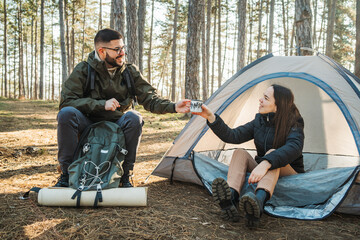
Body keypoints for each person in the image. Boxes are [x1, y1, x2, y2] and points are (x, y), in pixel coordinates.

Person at [55, 28, 190, 188]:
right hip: (88, 124)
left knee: (134, 117)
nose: (122, 53)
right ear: (102, 51)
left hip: (117, 125)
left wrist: (174, 107)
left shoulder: (129, 72)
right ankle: (66, 175)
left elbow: (150, 99)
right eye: (117, 49)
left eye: (123, 48)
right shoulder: (83, 70)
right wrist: (101, 105)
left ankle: (125, 175)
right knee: (66, 114)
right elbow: (67, 102)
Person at [193, 84, 304, 228]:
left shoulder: (294, 123)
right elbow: (233, 135)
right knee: (240, 152)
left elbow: (294, 147)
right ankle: (231, 197)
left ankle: (258, 202)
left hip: (289, 172)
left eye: (265, 98)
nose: (260, 100)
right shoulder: (260, 121)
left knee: (272, 153)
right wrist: (210, 117)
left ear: (278, 105)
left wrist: (266, 163)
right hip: (265, 169)